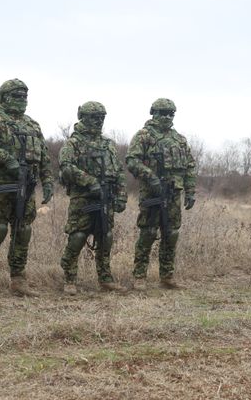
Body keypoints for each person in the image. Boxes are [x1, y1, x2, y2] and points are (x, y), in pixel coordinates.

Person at [0, 78, 53, 297]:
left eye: (24, 96)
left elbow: (44, 157)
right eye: (17, 96)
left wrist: (47, 182)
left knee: (23, 230)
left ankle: (18, 280)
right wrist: (6, 159)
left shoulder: (32, 124)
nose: (22, 100)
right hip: (1, 184)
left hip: (26, 185)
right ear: (4, 97)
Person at [58, 101, 128, 294]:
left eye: (101, 118)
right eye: (94, 117)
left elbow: (119, 172)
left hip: (106, 198)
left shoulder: (108, 145)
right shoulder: (73, 143)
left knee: (105, 236)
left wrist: (122, 196)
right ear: (83, 117)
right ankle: (70, 279)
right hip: (83, 198)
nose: (98, 121)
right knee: (78, 237)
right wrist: (90, 181)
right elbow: (66, 167)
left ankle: (105, 278)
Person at [126, 98, 196, 289]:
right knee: (148, 233)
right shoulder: (143, 136)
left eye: (170, 113)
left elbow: (190, 166)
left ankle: (167, 276)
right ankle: (139, 276)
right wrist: (151, 177)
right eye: (162, 112)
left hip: (174, 194)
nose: (166, 117)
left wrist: (190, 191)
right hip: (152, 194)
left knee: (171, 234)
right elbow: (132, 161)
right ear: (153, 113)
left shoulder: (179, 139)